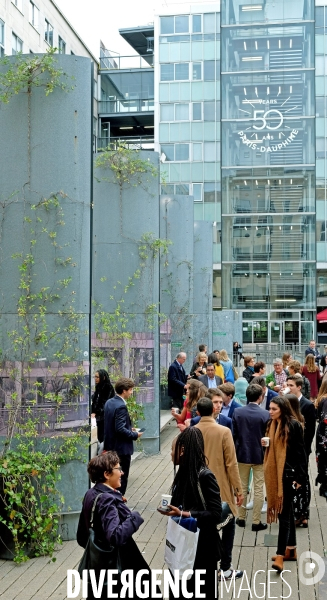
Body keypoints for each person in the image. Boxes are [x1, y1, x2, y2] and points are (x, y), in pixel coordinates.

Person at [77, 452, 151, 599]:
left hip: (97, 568)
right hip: (117, 565)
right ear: (107, 474)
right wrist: (134, 517)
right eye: (118, 469)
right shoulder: (107, 499)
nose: (122, 473)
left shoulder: (91, 494)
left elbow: (81, 536)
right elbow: (115, 536)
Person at [159, 427, 222, 598]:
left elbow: (215, 513)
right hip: (182, 545)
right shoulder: (184, 473)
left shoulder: (205, 476)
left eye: (173, 449)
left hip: (201, 548)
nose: (171, 454)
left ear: (183, 450)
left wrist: (186, 514)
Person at [195, 397, 244, 580]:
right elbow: (231, 463)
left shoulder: (192, 431)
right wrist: (239, 490)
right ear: (214, 411)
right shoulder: (223, 431)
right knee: (228, 525)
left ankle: (206, 567)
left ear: (198, 412)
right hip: (220, 487)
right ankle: (225, 567)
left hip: (197, 488)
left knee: (203, 527)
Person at [263, 396, 307, 574]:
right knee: (287, 513)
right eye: (270, 408)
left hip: (288, 476)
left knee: (283, 515)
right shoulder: (271, 424)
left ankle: (280, 554)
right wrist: (266, 444)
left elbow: (300, 452)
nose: (270, 411)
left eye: (274, 409)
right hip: (275, 474)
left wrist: (300, 478)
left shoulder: (293, 425)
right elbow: (272, 448)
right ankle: (291, 549)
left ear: (282, 409)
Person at [233, 384, 269, 531]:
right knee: (259, 487)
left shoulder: (237, 412)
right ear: (260, 397)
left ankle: (241, 518)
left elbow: (234, 435)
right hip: (259, 455)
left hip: (242, 454)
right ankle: (256, 521)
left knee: (241, 485)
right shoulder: (265, 414)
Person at [103, 378, 143, 496]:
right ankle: (119, 503)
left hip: (111, 446)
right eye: (130, 390)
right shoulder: (121, 406)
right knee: (121, 478)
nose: (131, 392)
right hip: (121, 449)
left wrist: (128, 428)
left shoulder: (109, 402)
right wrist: (135, 434)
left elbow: (113, 425)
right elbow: (119, 429)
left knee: (111, 479)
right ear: (124, 391)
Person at [284, 393, 310, 526]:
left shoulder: (292, 424)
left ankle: (297, 517)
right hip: (301, 460)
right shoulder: (301, 419)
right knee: (303, 490)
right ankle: (303, 516)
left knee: (296, 490)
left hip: (293, 460)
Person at [285, 375, 316, 460]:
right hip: (286, 446)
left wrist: (305, 447)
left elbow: (310, 430)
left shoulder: (308, 405)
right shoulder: (284, 401)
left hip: (301, 447)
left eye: (291, 385)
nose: (288, 388)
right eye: (287, 385)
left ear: (299, 387)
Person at [91, 370, 115, 444]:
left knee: (103, 435)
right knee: (99, 435)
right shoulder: (98, 387)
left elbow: (105, 403)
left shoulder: (108, 387)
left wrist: (96, 412)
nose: (95, 379)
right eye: (95, 377)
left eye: (97, 377)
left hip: (105, 416)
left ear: (103, 377)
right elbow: (96, 401)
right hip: (99, 416)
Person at [316, 385, 327, 500]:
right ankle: (324, 486)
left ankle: (324, 485)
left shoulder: (322, 399)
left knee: (323, 460)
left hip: (321, 435)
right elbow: (325, 420)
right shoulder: (326, 400)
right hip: (324, 436)